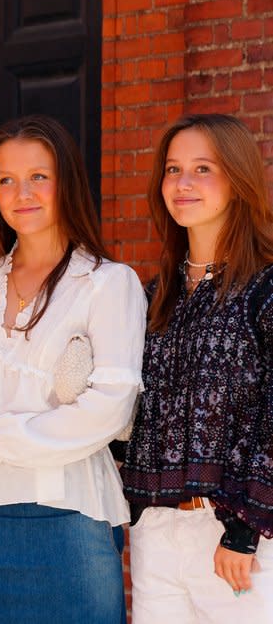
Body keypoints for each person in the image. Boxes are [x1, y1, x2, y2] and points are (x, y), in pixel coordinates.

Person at [0, 115, 146, 624]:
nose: (21, 192)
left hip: (69, 523)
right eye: (6, 180)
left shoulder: (108, 283)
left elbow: (110, 408)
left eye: (38, 177)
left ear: (65, 181)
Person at [121, 114, 273, 622]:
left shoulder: (265, 290)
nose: (182, 184)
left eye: (202, 168)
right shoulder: (149, 298)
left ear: (237, 180)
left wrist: (243, 532)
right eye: (172, 169)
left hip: (236, 537)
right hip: (155, 534)